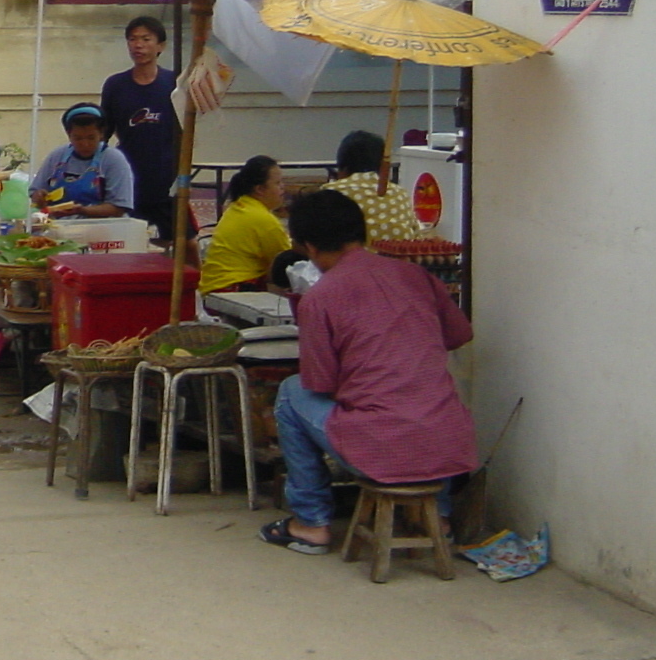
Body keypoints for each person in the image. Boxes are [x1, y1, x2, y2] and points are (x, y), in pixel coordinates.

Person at [259, 189, 476, 556]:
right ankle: (437, 517)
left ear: (309, 247)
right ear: (362, 233)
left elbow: (320, 382)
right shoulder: (414, 275)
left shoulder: (320, 297)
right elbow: (459, 334)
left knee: (292, 392)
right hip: (448, 441)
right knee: (423, 400)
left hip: (383, 446)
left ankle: (311, 523)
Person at [99, 15, 181, 238]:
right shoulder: (115, 85)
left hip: (166, 174)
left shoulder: (175, 83)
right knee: (130, 238)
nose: (138, 45)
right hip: (128, 172)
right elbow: (103, 133)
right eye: (133, 39)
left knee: (179, 239)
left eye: (146, 39)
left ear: (160, 46)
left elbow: (187, 128)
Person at [200, 155, 293, 293]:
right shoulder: (262, 218)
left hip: (212, 286)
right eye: (278, 183)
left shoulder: (239, 206)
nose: (283, 188)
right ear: (260, 189)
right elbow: (285, 261)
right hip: (233, 287)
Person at [321, 130, 428, 243]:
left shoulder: (330, 193)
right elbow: (417, 237)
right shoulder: (400, 193)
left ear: (343, 167)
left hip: (349, 260)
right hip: (398, 260)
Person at [28, 104, 134, 217]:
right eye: (78, 138)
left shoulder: (113, 159)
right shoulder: (57, 157)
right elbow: (35, 192)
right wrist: (39, 197)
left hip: (103, 227)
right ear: (69, 135)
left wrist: (82, 210)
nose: (85, 144)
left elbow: (118, 208)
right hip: (59, 227)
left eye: (91, 138)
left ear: (102, 134)